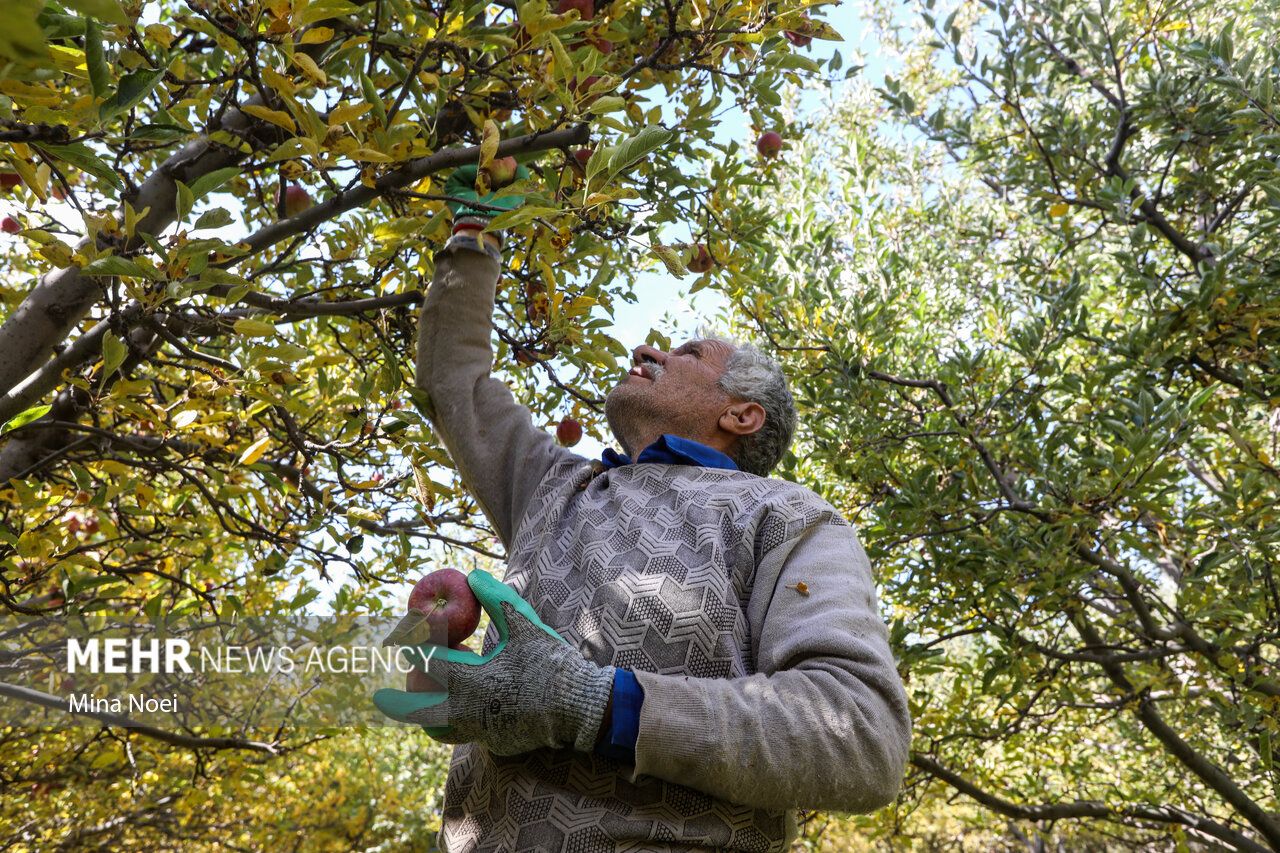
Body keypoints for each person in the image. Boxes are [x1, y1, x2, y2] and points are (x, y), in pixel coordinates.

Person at [373, 164, 912, 852]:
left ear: (742, 414)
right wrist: (473, 237)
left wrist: (594, 704)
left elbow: (862, 734)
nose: (647, 348)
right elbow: (454, 382)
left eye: (688, 352)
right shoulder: (553, 487)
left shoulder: (787, 517)